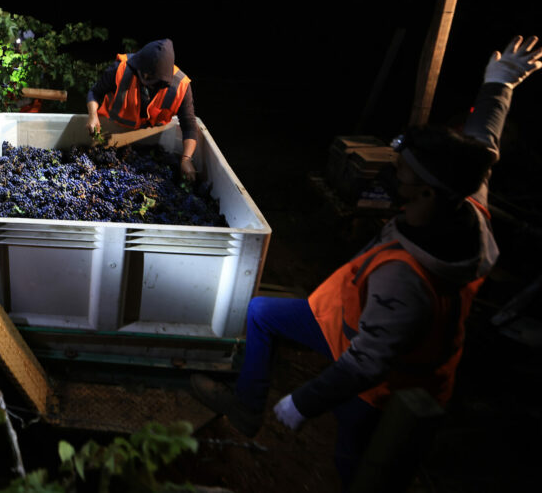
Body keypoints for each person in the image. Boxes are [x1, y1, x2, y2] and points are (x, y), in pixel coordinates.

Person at [189, 35, 542, 488]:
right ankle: (246, 406)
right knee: (261, 314)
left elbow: (367, 364)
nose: (395, 176)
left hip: (388, 379)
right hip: (343, 321)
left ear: (429, 192)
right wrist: (500, 84)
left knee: (354, 457)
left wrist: (304, 402)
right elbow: (483, 143)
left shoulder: (406, 279)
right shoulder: (467, 200)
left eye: (405, 174)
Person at [86, 38, 199, 181]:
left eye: (150, 78)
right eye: (142, 74)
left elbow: (189, 124)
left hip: (151, 139)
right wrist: (93, 115)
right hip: (112, 132)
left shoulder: (181, 87)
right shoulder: (120, 69)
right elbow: (95, 92)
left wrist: (186, 158)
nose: (144, 78)